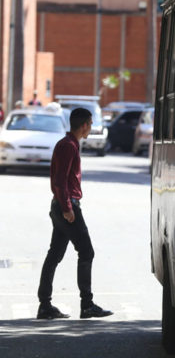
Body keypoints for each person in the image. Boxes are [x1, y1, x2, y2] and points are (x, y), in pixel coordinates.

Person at [36, 108, 113, 320]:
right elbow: (59, 181)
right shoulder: (68, 146)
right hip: (67, 206)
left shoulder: (69, 144)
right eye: (90, 124)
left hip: (62, 204)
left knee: (55, 254)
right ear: (85, 125)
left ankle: (45, 305)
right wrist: (68, 208)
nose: (91, 128)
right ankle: (87, 305)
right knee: (86, 252)